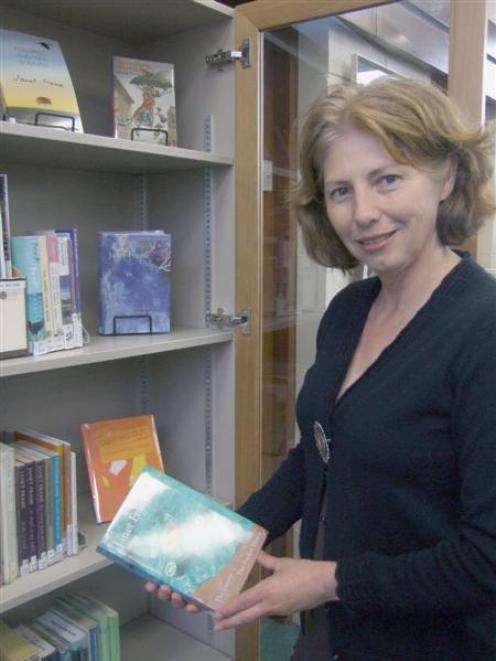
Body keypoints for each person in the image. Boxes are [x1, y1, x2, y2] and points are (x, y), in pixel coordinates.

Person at [146, 77, 496, 659]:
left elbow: (487, 557)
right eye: (340, 191)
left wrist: (329, 581)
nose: (364, 213)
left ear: (447, 177)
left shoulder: (484, 329)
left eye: (388, 179)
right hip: (332, 635)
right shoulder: (349, 309)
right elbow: (317, 454)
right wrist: (222, 543)